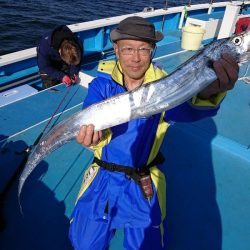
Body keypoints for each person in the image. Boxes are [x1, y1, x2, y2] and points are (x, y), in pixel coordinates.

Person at [69, 16, 239, 249]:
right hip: (101, 178)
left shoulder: (167, 87)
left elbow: (189, 111)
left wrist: (209, 91)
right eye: (128, 49)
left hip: (143, 181)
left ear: (153, 51)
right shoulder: (101, 84)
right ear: (116, 51)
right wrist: (93, 136)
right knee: (83, 243)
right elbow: (91, 113)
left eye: (144, 49)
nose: (136, 58)